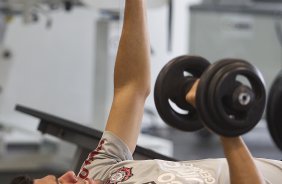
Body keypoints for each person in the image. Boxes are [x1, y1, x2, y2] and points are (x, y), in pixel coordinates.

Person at [10, 0, 282, 184]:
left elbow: (131, 89)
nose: (69, 174)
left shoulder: (96, 173)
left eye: (56, 177)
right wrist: (222, 124)